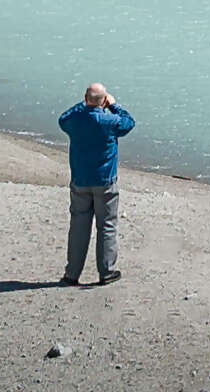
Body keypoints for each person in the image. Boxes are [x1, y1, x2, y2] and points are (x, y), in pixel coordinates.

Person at [60, 82, 131, 284]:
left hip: (81, 180)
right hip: (105, 181)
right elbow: (129, 122)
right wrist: (114, 105)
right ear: (104, 100)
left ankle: (72, 274)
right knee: (107, 226)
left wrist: (84, 105)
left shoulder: (75, 121)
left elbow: (63, 118)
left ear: (86, 98)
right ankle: (106, 271)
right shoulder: (109, 122)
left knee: (78, 227)